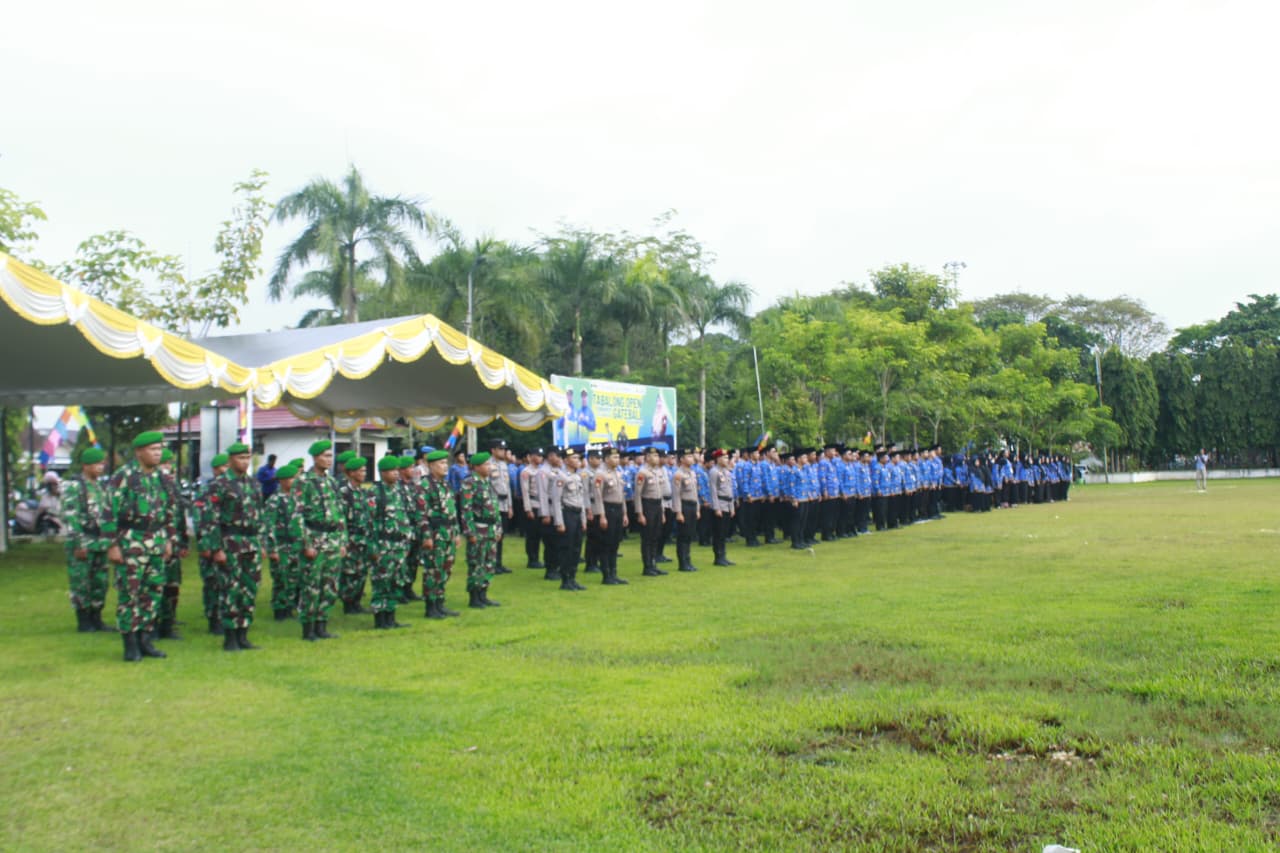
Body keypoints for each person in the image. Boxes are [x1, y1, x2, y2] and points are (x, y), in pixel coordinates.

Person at [105, 430, 172, 662]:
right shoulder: (123, 476)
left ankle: (146, 639)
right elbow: (108, 511)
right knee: (129, 593)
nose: (158, 453)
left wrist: (167, 540)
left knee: (152, 592)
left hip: (155, 540)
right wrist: (112, 545)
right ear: (139, 452)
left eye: (159, 449)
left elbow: (166, 510)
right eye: (153, 450)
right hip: (131, 540)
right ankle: (130, 643)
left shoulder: (160, 477)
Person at [199, 442, 265, 652]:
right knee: (230, 590)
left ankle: (243, 634)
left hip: (251, 542)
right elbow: (211, 519)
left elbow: (259, 516)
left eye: (247, 458)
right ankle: (229, 636)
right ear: (230, 461)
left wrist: (262, 542)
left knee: (249, 590)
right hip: (231, 542)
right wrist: (216, 548)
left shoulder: (254, 484)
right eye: (240, 458)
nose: (244, 462)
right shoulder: (219, 485)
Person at [296, 440, 348, 641]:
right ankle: (308, 628)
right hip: (315, 537)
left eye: (330, 456)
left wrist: (343, 540)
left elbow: (339, 513)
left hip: (332, 539)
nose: (329, 460)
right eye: (325, 456)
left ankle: (321, 624)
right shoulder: (304, 482)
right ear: (315, 458)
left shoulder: (332, 482)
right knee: (312, 585)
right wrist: (306, 543)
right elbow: (297, 515)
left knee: (330, 584)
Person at [63, 446, 114, 633]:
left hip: (99, 541)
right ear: (85, 466)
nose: (100, 467)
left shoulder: (100, 486)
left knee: (100, 582)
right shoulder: (74, 486)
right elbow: (71, 516)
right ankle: (84, 620)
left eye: (102, 463)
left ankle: (97, 617)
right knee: (82, 581)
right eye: (96, 464)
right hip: (83, 539)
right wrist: (78, 543)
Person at [370, 456, 412, 629]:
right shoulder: (376, 492)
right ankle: (380, 619)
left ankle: (391, 616)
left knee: (397, 581)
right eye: (392, 471)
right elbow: (369, 522)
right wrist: (373, 548)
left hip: (399, 545)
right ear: (382, 473)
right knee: (382, 583)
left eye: (397, 470)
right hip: (383, 545)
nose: (396, 474)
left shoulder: (400, 491)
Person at [421, 449, 462, 618]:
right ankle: (430, 605)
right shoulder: (425, 485)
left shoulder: (445, 484)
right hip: (435, 532)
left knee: (446, 568)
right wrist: (426, 536)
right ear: (431, 466)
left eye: (446, 463)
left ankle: (440, 601)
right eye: (441, 464)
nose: (445, 467)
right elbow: (421, 514)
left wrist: (457, 532)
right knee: (433, 569)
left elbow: (452, 511)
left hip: (449, 532)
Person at [458, 452, 502, 608]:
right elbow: (466, 509)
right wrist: (470, 532)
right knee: (476, 562)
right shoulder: (470, 483)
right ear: (476, 467)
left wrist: (498, 527)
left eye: (489, 464)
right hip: (478, 528)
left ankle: (483, 593)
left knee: (489, 563)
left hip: (490, 528)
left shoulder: (487, 483)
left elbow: (495, 508)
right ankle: (474, 596)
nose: (489, 467)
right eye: (486, 464)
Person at [193, 453, 230, 634]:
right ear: (216, 470)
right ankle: (213, 618)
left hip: (228, 542)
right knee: (212, 582)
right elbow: (201, 520)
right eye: (222, 467)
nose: (226, 470)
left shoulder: (231, 488)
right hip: (210, 542)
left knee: (226, 582)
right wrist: (204, 545)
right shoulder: (206, 491)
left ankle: (225, 616)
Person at [155, 447, 189, 641]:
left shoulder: (172, 486)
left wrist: (183, 541)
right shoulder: (155, 484)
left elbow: (179, 517)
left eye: (169, 463)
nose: (168, 468)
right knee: (157, 583)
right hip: (157, 542)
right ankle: (155, 622)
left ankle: (169, 620)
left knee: (173, 584)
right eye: (165, 463)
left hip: (173, 541)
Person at [264, 462, 303, 621]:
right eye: (292, 478)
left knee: (294, 578)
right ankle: (280, 610)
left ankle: (289, 607)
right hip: (282, 545)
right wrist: (272, 549)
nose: (295, 481)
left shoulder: (298, 499)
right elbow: (269, 525)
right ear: (283, 481)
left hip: (296, 545)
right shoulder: (275, 500)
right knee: (281, 579)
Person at [338, 456, 374, 614]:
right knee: (349, 572)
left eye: (365, 470)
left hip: (363, 538)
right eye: (361, 471)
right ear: (351, 473)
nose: (364, 473)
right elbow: (341, 518)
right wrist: (343, 540)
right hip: (351, 538)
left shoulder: (362, 492)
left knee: (361, 572)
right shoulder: (344, 493)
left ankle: (356, 602)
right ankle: (348, 602)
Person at [590, 448, 629, 585]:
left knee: (615, 543)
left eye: (618, 457)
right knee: (606, 543)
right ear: (606, 459)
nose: (617, 460)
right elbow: (598, 497)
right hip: (607, 510)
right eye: (614, 457)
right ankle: (606, 575)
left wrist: (624, 513)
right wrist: (602, 515)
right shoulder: (600, 475)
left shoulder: (617, 474)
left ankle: (614, 573)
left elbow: (621, 496)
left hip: (618, 510)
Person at [551, 448, 588, 591]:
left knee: (577, 548)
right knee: (567, 547)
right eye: (574, 458)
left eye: (578, 458)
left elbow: (581, 500)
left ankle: (573, 578)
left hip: (577, 514)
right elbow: (556, 500)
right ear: (566, 460)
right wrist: (559, 522)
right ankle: (565, 579)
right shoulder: (560, 477)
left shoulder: (578, 477)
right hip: (567, 514)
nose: (577, 460)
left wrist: (583, 520)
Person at [633, 447, 667, 577]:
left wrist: (662, 512)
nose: (657, 458)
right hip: (648, 505)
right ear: (647, 457)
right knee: (647, 537)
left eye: (657, 456)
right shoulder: (643, 473)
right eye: (654, 456)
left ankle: (653, 564)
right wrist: (640, 513)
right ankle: (647, 566)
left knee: (655, 536)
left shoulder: (658, 472)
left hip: (657, 505)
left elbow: (661, 495)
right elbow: (637, 495)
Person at [487, 439, 514, 574]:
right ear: (493, 450)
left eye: (504, 449)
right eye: (500, 449)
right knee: (494, 535)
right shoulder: (488, 464)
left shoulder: (504, 465)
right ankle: (492, 563)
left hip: (504, 504)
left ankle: (499, 563)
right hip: (494, 503)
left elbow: (507, 487)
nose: (503, 451)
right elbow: (492, 485)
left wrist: (510, 506)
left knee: (501, 535)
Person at [672, 449, 701, 572]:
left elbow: (695, 493)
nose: (692, 458)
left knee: (689, 535)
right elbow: (676, 495)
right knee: (683, 536)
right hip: (684, 506)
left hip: (693, 505)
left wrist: (698, 509)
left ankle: (688, 561)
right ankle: (683, 563)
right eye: (688, 456)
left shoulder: (692, 473)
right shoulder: (678, 474)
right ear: (682, 459)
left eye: (691, 456)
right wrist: (678, 512)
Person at [708, 449, 736, 566]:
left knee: (724, 533)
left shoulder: (727, 472)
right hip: (720, 504)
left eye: (727, 458)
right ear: (718, 459)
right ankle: (718, 556)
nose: (727, 460)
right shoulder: (714, 471)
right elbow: (713, 491)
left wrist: (732, 507)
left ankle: (723, 555)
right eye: (724, 458)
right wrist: (716, 508)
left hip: (727, 504)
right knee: (718, 533)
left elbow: (730, 490)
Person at [519, 447, 546, 569]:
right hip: (533, 504)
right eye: (538, 456)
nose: (540, 458)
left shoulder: (542, 471)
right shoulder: (526, 472)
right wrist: (528, 509)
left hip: (542, 505)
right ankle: (532, 559)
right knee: (532, 535)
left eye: (541, 456)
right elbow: (525, 491)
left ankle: (538, 558)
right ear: (532, 457)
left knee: (542, 534)